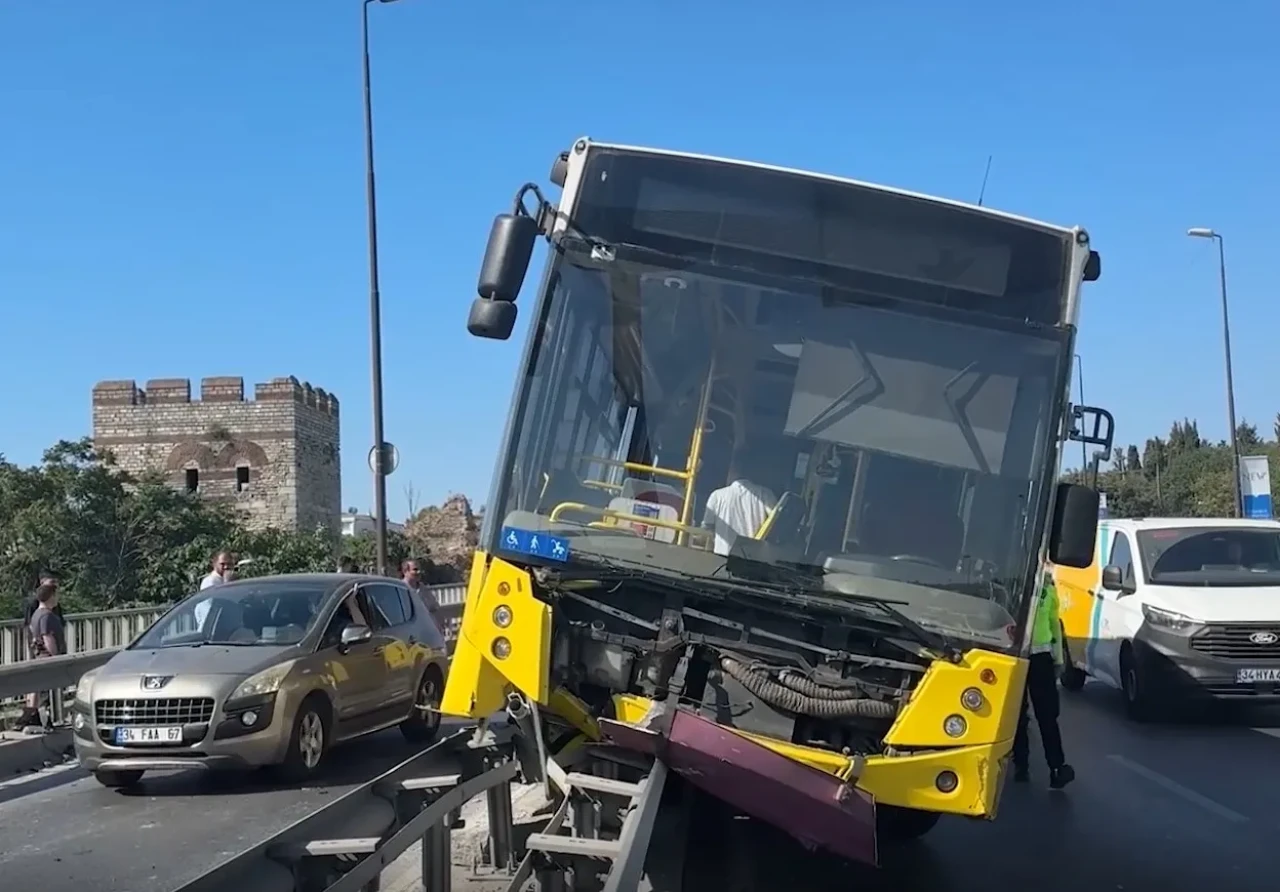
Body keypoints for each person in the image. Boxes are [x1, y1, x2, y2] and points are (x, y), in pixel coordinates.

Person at [1012, 567, 1075, 789]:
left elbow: (1054, 624)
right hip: (1021, 656)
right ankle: (1029, 765)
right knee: (1022, 715)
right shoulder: (1027, 585)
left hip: (1036, 657)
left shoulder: (1042, 587)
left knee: (1040, 715)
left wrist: (1058, 659)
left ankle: (1048, 767)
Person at [700, 449, 778, 557]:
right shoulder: (766, 495)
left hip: (721, 561)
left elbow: (706, 531)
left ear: (731, 470)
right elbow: (777, 526)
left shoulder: (717, 496)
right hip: (755, 561)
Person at [23, 583, 65, 730]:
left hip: (39, 657)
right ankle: (48, 721)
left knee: (40, 690)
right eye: (56, 595)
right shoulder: (47, 616)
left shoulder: (36, 614)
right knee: (48, 694)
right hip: (48, 659)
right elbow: (48, 638)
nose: (57, 598)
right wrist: (57, 657)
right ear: (51, 596)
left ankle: (35, 718)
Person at [195, 551, 237, 630]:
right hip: (213, 629)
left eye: (229, 564)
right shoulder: (210, 581)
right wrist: (227, 583)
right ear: (214, 564)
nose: (226, 567)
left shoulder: (230, 579)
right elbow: (220, 603)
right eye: (222, 564)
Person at [402, 559, 441, 623]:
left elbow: (434, 608)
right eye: (415, 569)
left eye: (420, 569)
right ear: (405, 571)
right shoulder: (400, 589)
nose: (419, 572)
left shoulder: (423, 589)